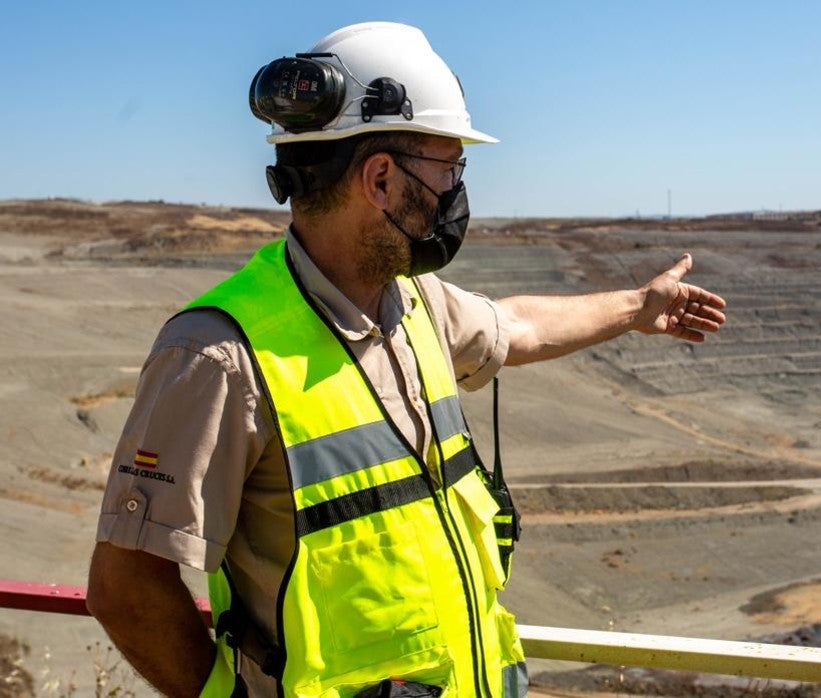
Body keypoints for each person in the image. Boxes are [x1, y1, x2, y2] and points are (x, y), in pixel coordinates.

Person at [85, 21, 726, 698]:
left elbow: (515, 327)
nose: (456, 190)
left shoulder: (415, 304)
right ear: (382, 179)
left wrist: (637, 307)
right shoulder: (219, 357)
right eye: (449, 167)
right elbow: (127, 587)